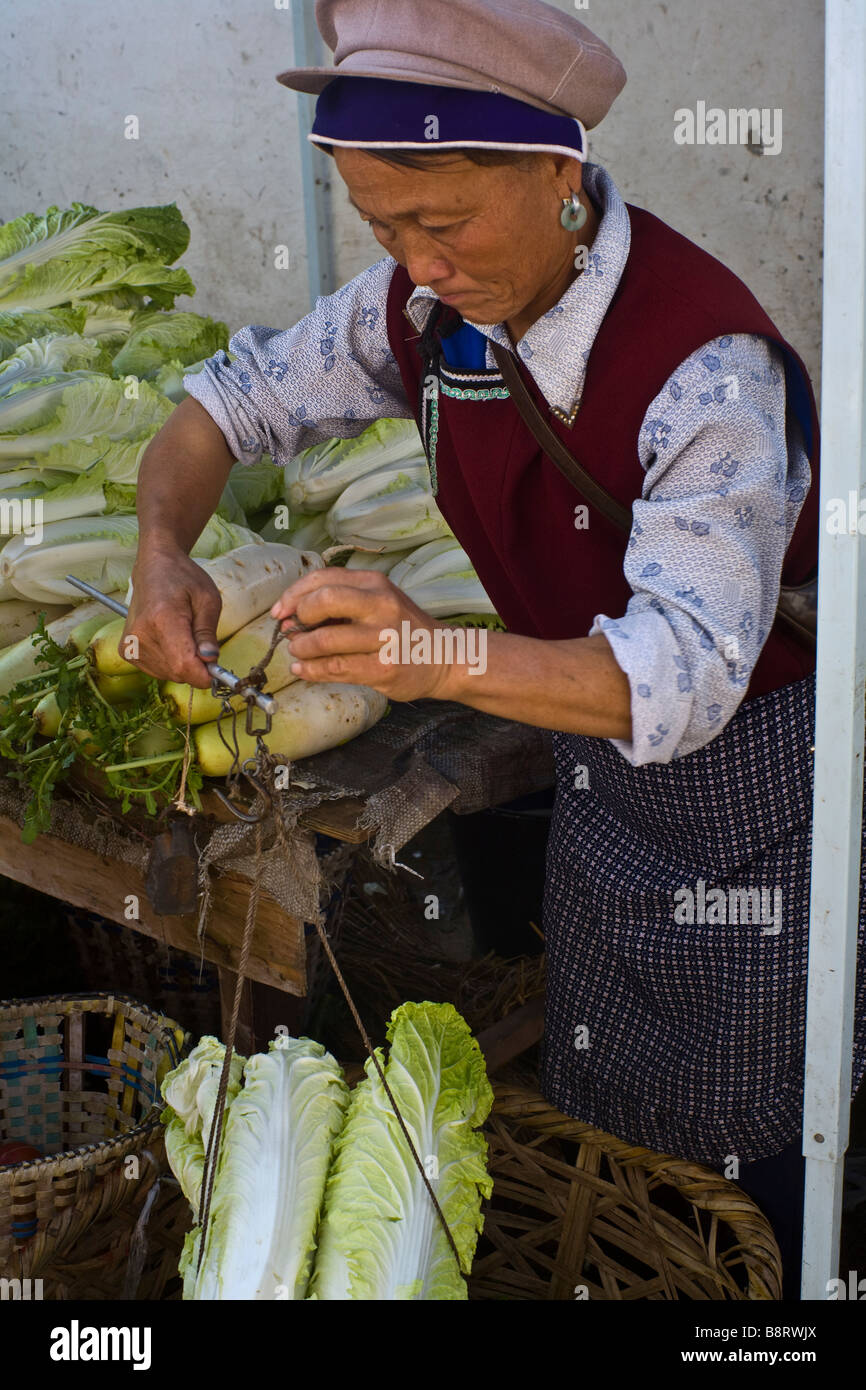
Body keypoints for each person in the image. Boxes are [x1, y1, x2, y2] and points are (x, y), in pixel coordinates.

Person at [126, 0, 864, 1298]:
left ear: (555, 178)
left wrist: (430, 654)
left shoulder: (707, 369)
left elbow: (679, 677)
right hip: (602, 784)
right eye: (382, 229)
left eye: (442, 224)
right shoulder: (423, 311)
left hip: (762, 795)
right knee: (614, 1121)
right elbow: (222, 404)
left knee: (761, 1152)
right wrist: (160, 553)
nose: (414, 264)